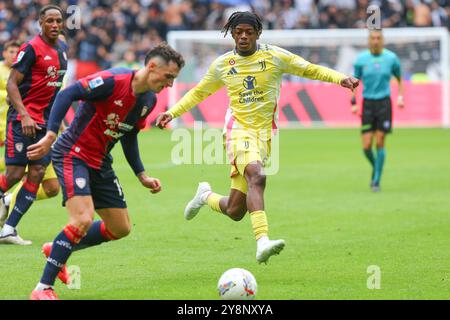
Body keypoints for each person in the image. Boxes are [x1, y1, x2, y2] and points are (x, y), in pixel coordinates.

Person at [156, 11, 359, 264]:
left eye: (248, 32)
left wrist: (341, 78)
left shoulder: (275, 56)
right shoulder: (222, 65)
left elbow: (309, 69)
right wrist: (171, 112)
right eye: (238, 32)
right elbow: (198, 93)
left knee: (235, 210)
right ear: (232, 33)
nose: (243, 37)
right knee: (257, 175)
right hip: (237, 130)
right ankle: (262, 241)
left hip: (264, 136)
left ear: (258, 34)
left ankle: (204, 196)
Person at [27, 42, 184, 300]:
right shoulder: (113, 80)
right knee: (82, 219)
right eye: (169, 77)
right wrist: (51, 134)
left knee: (120, 227)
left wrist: (141, 174)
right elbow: (67, 94)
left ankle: (58, 248)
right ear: (152, 66)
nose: (170, 84)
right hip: (72, 154)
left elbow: (130, 134)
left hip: (100, 161)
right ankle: (42, 288)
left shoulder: (148, 100)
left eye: (174, 79)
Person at [0, 5, 68, 245]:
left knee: (38, 172)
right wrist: (25, 114)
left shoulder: (63, 50)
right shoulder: (31, 48)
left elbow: (57, 91)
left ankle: (8, 229)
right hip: (23, 121)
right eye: (49, 20)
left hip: (45, 124)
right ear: (41, 22)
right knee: (14, 174)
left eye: (58, 20)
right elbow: (11, 84)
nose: (54, 25)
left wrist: (57, 122)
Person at [351, 29, 404, 192]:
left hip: (384, 104)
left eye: (378, 38)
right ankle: (377, 168)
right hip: (368, 104)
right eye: (373, 38)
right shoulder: (361, 60)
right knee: (366, 146)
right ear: (369, 41)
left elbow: (399, 78)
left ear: (382, 40)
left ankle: (376, 181)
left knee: (380, 141)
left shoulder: (391, 58)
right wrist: (353, 101)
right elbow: (355, 81)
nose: (375, 40)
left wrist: (400, 96)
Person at [0, 41, 21, 173]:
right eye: (11, 52)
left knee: (14, 163)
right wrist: (10, 94)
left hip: (11, 122)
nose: (14, 55)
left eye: (17, 52)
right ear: (4, 53)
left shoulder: (20, 72)